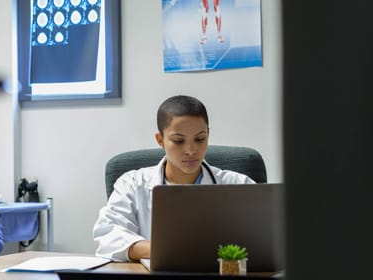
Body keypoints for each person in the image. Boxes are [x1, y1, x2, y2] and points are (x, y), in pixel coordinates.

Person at [92, 95, 254, 262]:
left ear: (208, 135)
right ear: (160, 140)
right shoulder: (132, 184)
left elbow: (268, 237)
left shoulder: (240, 185)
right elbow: (109, 236)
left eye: (200, 139)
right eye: (178, 141)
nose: (191, 150)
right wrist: (168, 250)